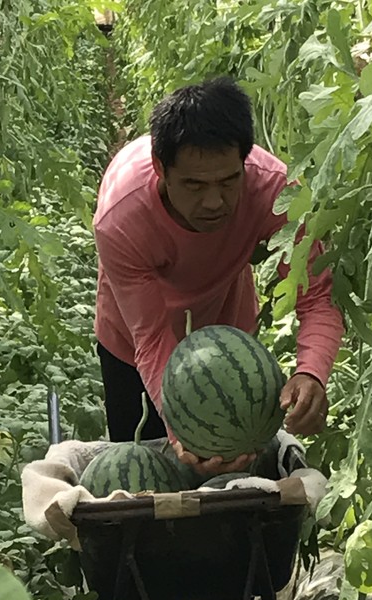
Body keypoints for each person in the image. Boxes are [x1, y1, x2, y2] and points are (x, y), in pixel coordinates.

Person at [93, 77, 344, 477]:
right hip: (132, 344)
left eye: (228, 182)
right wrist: (184, 431)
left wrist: (311, 371)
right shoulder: (120, 220)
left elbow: (317, 296)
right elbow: (152, 338)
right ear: (161, 169)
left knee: (234, 484)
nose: (214, 201)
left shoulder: (276, 191)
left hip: (227, 328)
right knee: (142, 474)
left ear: (245, 161)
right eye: (194, 185)